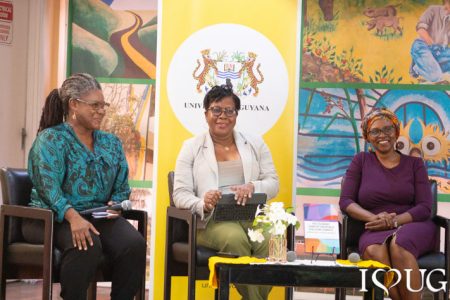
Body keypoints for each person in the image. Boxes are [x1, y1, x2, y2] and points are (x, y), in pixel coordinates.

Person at [23, 73, 146, 300]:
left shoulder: (111, 143)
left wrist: (115, 205)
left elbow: (121, 184)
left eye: (103, 105)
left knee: (133, 244)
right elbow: (47, 187)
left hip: (97, 214)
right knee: (87, 244)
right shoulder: (51, 140)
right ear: (74, 105)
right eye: (95, 105)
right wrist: (72, 217)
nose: (101, 110)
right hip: (50, 217)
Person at [173, 84, 279, 300]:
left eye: (229, 111)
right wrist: (203, 202)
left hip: (250, 215)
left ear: (236, 115)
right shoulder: (191, 147)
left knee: (272, 237)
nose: (223, 116)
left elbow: (273, 182)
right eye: (216, 110)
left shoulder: (255, 144)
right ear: (206, 114)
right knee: (235, 238)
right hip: (212, 220)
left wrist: (253, 186)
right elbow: (180, 194)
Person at [339, 107, 437, 300]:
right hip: (374, 226)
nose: (382, 135)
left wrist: (394, 222)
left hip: (412, 224)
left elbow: (425, 207)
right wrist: (375, 218)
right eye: (375, 131)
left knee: (399, 244)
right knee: (375, 250)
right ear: (367, 136)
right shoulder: (361, 161)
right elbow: (346, 201)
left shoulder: (414, 164)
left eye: (387, 129)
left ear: (396, 133)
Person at [410, 0, 450, 83]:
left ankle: (422, 63)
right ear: (446, 2)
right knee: (435, 77)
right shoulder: (433, 10)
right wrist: (433, 46)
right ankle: (417, 68)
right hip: (424, 46)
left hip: (441, 51)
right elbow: (421, 29)